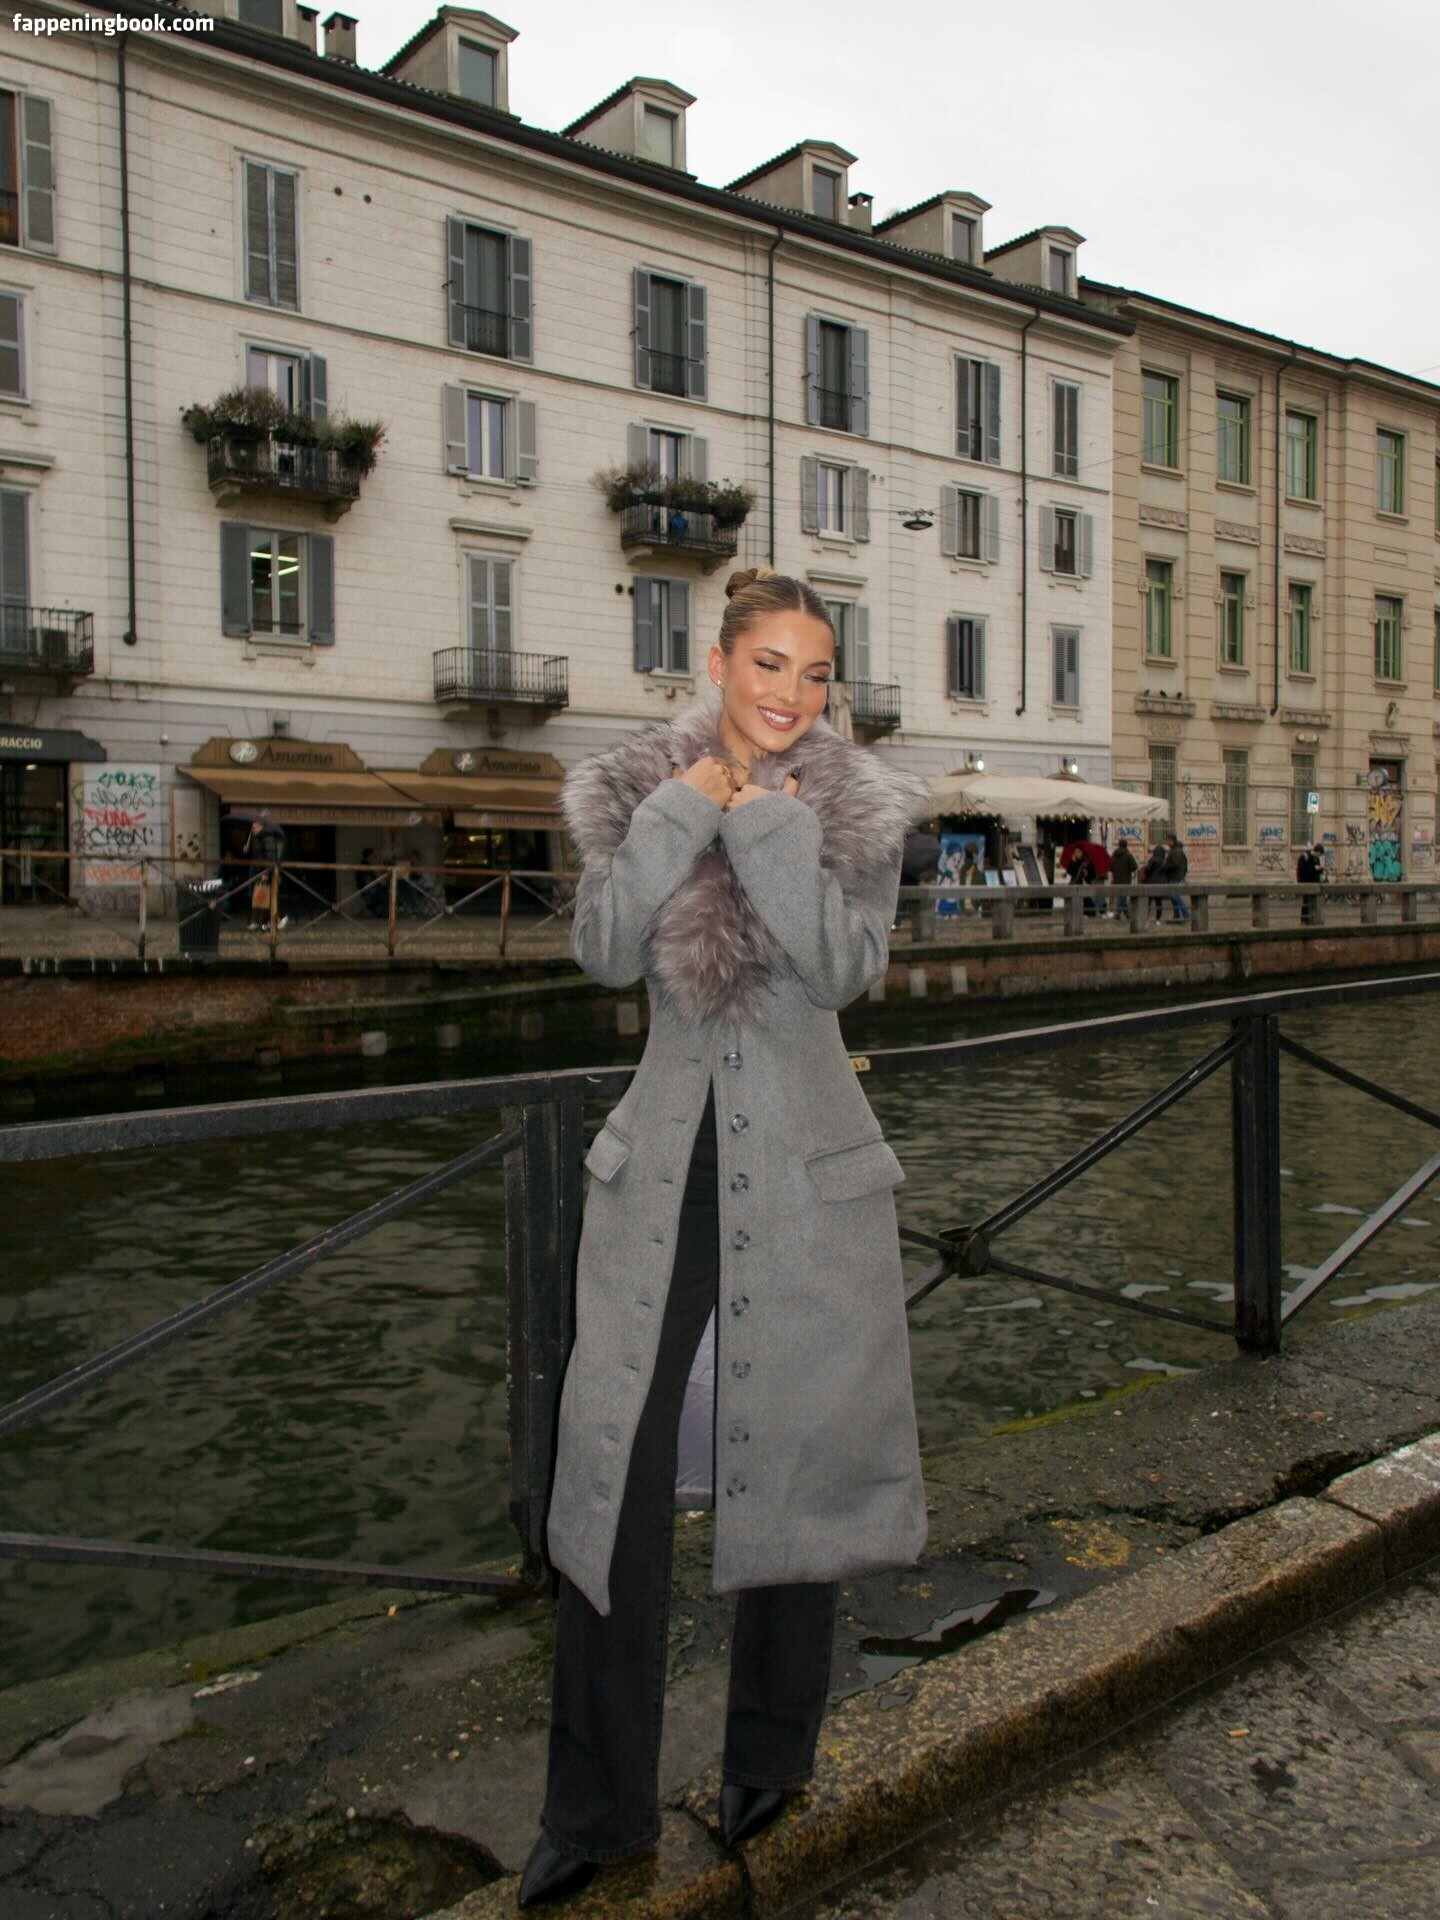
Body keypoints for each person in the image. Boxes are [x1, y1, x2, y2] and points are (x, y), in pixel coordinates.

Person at [521, 566, 929, 1908]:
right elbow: (600, 949)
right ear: (719, 661)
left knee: (793, 1465)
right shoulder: (635, 785)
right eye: (769, 664)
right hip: (663, 1179)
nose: (790, 694)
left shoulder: (857, 808)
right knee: (612, 1484)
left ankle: (772, 1753)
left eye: (815, 673)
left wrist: (771, 835)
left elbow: (845, 970)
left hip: (807, 1181)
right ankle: (593, 1811)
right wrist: (678, 817)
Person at [244, 810, 289, 931]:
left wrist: (266, 873)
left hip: (267, 872)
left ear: (261, 827)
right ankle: (264, 921)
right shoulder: (256, 838)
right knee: (262, 897)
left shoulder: (268, 838)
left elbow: (271, 857)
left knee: (267, 897)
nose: (253, 827)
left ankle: (276, 920)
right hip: (260, 871)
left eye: (255, 826)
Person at [1160, 832, 1190, 922]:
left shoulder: (1176, 851)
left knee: (1174, 896)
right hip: (1173, 875)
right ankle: (1176, 915)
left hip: (1175, 876)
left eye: (1167, 841)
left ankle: (1186, 914)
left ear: (1171, 841)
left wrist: (1165, 867)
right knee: (1172, 896)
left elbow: (1175, 864)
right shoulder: (1174, 850)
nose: (1166, 843)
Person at [1109, 836, 1138, 920]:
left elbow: (1110, 867)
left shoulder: (1114, 855)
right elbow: (1134, 866)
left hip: (1116, 879)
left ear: (1119, 845)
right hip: (1126, 879)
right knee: (1123, 896)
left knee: (1121, 896)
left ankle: (1126, 913)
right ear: (1126, 845)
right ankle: (1118, 912)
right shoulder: (1128, 855)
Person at [1297, 843, 1324, 925]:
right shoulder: (1305, 857)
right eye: (1319, 854)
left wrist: (1320, 869)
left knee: (1315, 902)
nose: (1319, 856)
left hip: (1315, 883)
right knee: (1306, 901)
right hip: (1306, 882)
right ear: (1317, 851)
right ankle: (1304, 920)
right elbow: (1303, 869)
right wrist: (1314, 868)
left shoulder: (1316, 858)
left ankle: (1312, 919)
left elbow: (1318, 870)